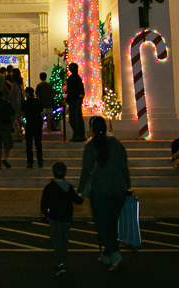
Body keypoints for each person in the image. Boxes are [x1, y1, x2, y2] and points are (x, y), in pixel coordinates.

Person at [78, 116, 130, 272]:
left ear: (92, 129)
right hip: (118, 190)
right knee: (112, 224)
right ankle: (107, 256)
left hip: (100, 191)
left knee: (102, 225)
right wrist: (127, 186)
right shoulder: (116, 144)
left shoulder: (90, 147)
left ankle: (116, 255)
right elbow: (124, 167)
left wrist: (80, 191)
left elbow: (86, 171)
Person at [40, 161, 84, 277]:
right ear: (65, 173)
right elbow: (77, 200)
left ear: (53, 173)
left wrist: (47, 214)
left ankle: (60, 263)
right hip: (66, 217)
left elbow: (43, 205)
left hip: (55, 218)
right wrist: (81, 194)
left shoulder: (49, 188)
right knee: (64, 239)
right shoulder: (68, 187)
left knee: (56, 239)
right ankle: (62, 260)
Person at [21, 86, 44, 168]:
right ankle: (40, 159)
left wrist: (22, 123)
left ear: (27, 94)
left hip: (29, 124)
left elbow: (22, 114)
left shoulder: (25, 103)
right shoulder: (38, 102)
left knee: (29, 144)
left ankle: (30, 161)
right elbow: (41, 113)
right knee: (38, 142)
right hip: (37, 123)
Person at [66, 63, 85, 141]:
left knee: (73, 118)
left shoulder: (71, 78)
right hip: (78, 99)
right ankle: (80, 134)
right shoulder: (78, 78)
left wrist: (67, 98)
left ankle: (77, 134)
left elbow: (71, 90)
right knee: (78, 116)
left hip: (73, 100)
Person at [8, 69, 25, 141]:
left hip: (15, 105)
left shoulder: (14, 84)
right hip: (20, 104)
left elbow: (12, 95)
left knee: (16, 121)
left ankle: (18, 136)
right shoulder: (20, 83)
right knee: (19, 120)